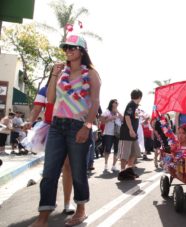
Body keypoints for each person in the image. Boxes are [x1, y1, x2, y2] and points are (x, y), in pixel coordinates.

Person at [31, 34, 101, 227]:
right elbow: (51, 99)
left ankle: (81, 210)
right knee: (49, 172)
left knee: (78, 171)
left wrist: (87, 127)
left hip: (78, 126)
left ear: (82, 51)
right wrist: (54, 74)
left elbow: (95, 103)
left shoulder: (92, 74)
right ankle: (43, 217)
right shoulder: (61, 73)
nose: (68, 51)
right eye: (66, 48)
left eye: (72, 47)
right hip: (57, 126)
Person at [27, 69, 76, 215]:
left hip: (68, 129)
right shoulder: (45, 89)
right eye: (59, 72)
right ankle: (49, 202)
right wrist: (30, 121)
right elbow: (37, 109)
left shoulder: (71, 89)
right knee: (51, 169)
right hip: (50, 130)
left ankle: (68, 202)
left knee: (68, 166)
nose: (63, 74)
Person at [117, 89, 142, 178]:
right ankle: (122, 172)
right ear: (139, 97)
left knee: (134, 153)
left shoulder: (136, 106)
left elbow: (135, 118)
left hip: (133, 134)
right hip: (127, 134)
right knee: (125, 154)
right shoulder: (131, 104)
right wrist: (131, 130)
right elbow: (127, 117)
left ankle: (129, 170)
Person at [101, 99, 123, 172]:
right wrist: (110, 118)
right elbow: (102, 121)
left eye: (117, 102)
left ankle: (114, 166)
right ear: (112, 103)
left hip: (117, 133)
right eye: (115, 102)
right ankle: (105, 165)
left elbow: (123, 119)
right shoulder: (107, 112)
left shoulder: (118, 112)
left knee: (117, 150)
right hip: (108, 133)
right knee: (108, 149)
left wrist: (118, 112)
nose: (117, 103)